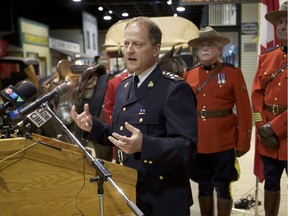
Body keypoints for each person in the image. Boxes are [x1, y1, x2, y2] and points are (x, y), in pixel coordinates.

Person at [71, 16, 198, 216]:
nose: (129, 50)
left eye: (137, 44)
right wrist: (92, 128)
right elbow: (119, 135)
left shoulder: (174, 89)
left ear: (156, 49)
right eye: (126, 43)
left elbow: (186, 147)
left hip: (164, 198)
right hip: (130, 191)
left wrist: (144, 145)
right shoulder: (124, 87)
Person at [184, 26, 252, 216]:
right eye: (202, 45)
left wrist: (243, 141)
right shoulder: (188, 74)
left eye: (211, 45)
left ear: (219, 49)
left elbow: (245, 110)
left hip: (224, 140)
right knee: (203, 185)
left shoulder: (233, 73)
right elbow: (182, 111)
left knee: (223, 186)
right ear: (197, 50)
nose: (206, 48)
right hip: (199, 141)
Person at [251, 2, 287, 215]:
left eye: (287, 22)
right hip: (268, 138)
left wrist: (273, 128)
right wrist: (262, 126)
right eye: (280, 22)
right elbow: (256, 94)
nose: (283, 26)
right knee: (271, 184)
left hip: (280, 132)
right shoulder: (266, 58)